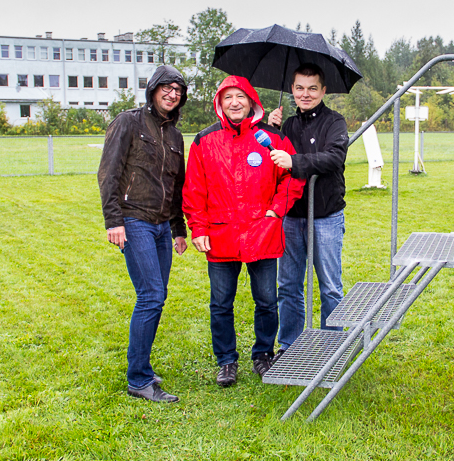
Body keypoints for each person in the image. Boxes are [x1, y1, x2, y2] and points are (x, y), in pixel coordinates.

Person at [183, 76, 304, 387]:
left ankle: (263, 354)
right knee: (221, 303)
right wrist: (198, 227)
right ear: (219, 104)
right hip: (220, 235)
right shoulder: (204, 141)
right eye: (228, 97)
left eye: (240, 96)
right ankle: (226, 360)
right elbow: (194, 189)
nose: (234, 102)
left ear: (252, 101)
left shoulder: (272, 138)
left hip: (262, 231)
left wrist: (275, 210)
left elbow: (292, 177)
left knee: (266, 300)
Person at [97, 65, 188, 404]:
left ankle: (142, 367)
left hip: (162, 226)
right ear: (152, 89)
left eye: (178, 90)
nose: (172, 94)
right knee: (150, 295)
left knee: (157, 297)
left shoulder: (175, 137)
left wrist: (178, 229)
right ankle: (138, 380)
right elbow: (108, 173)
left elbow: (175, 186)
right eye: (166, 87)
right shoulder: (128, 122)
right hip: (134, 220)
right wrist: (113, 221)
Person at [267, 64, 349, 353]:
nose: (306, 94)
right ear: (292, 90)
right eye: (300, 88)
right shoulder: (287, 125)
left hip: (326, 216)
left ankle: (332, 347)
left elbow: (334, 157)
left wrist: (295, 162)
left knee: (330, 286)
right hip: (292, 216)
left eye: (312, 88)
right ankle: (289, 345)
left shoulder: (335, 122)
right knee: (288, 285)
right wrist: (271, 129)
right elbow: (269, 160)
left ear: (323, 91)